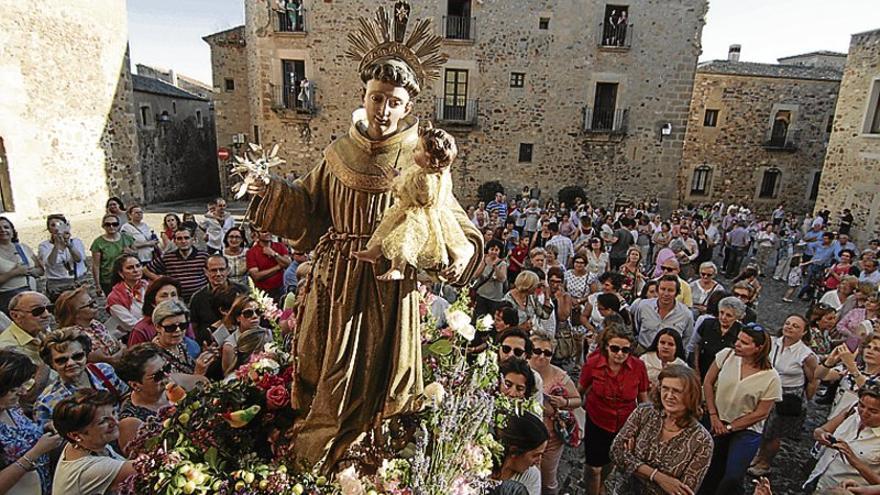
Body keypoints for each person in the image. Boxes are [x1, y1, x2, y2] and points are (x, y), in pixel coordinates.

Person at [354, 124, 473, 281]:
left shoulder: (423, 176)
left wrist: (394, 181)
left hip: (417, 215)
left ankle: (397, 267)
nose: (413, 152)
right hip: (426, 212)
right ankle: (374, 252)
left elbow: (408, 192)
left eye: (417, 149)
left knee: (403, 238)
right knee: (388, 231)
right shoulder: (437, 172)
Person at [699, 324, 782, 495]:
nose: (737, 344)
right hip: (716, 420)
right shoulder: (726, 355)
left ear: (758, 348)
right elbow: (707, 382)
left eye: (744, 343)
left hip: (747, 430)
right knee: (709, 468)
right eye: (738, 340)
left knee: (733, 476)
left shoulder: (771, 378)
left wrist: (730, 427)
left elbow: (761, 412)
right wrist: (713, 415)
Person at [606, 365, 712, 495]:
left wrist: (632, 461)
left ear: (691, 395)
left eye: (677, 391)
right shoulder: (644, 413)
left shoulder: (702, 440)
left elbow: (682, 491)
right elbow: (616, 451)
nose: (669, 396)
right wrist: (659, 478)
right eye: (665, 388)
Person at [578, 326, 649, 495]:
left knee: (611, 461)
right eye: (615, 348)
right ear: (606, 347)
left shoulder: (638, 367)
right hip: (597, 419)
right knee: (594, 467)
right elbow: (580, 389)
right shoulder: (593, 364)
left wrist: (644, 426)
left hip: (624, 424)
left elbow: (643, 398)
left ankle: (601, 483)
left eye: (625, 350)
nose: (619, 354)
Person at [748, 314, 817, 476]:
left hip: (787, 396)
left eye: (795, 326)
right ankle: (758, 455)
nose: (790, 327)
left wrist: (805, 401)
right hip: (765, 390)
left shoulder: (806, 355)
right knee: (761, 428)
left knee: (773, 432)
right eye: (788, 323)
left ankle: (765, 462)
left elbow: (813, 380)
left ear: (804, 332)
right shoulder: (771, 342)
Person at [34, 328, 127, 427]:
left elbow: (126, 396)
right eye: (61, 360)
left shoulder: (104, 370)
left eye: (77, 356)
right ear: (52, 364)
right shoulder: (45, 403)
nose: (71, 363)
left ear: (86, 355)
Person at [0, 349, 63, 495]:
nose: (23, 392)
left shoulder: (12, 407)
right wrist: (35, 452)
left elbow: (24, 432)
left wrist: (45, 428)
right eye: (14, 389)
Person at [51, 389, 136, 495]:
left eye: (113, 413)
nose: (115, 422)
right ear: (75, 435)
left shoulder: (83, 444)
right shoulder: (90, 470)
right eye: (102, 421)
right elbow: (149, 467)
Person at [529, 333, 582, 494]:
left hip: (552, 436)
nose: (542, 356)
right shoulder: (520, 370)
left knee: (548, 479)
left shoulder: (560, 376)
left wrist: (564, 402)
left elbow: (577, 400)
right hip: (527, 435)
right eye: (537, 351)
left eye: (547, 353)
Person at [806, 384, 880, 491]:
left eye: (873, 411)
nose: (864, 413)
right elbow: (820, 431)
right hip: (819, 480)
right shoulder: (852, 411)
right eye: (862, 405)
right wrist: (822, 436)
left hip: (846, 490)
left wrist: (854, 460)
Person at [0, 292, 54, 409]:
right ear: (15, 315)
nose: (46, 314)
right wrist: (47, 358)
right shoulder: (8, 349)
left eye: (49, 308)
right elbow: (26, 398)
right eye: (37, 311)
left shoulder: (42, 332)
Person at [815, 335, 880, 419]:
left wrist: (851, 367)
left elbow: (868, 390)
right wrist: (829, 361)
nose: (870, 351)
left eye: (877, 349)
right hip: (834, 417)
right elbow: (819, 375)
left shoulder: (853, 368)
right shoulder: (850, 368)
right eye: (868, 347)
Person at [54, 287, 123, 364]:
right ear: (76, 314)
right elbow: (104, 359)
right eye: (90, 305)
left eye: (94, 302)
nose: (95, 306)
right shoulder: (72, 336)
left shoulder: (96, 324)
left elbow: (118, 344)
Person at [150, 299, 215, 376]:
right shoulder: (154, 358)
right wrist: (198, 374)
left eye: (182, 326)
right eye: (171, 327)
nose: (178, 330)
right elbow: (169, 387)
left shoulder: (186, 344)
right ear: (157, 327)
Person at [632, 275, 695, 354]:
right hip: (643, 351)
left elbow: (687, 339)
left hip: (670, 356)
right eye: (663, 289)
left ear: (677, 293)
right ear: (657, 290)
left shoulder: (686, 314)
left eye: (670, 290)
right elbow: (637, 327)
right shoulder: (643, 306)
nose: (666, 293)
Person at [189, 255, 243, 346]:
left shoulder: (242, 291)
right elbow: (194, 328)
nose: (218, 274)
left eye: (221, 269)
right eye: (213, 270)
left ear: (228, 270)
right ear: (206, 272)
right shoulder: (197, 298)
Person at [144, 227, 209, 302]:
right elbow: (145, 270)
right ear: (175, 241)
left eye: (186, 238)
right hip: (176, 300)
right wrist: (162, 280)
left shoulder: (204, 256)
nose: (183, 241)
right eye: (179, 238)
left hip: (201, 300)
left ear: (193, 240)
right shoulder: (167, 258)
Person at [492, 412, 549, 495]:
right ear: (514, 451)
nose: (539, 461)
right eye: (535, 455)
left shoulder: (531, 477)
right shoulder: (478, 465)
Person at [128, 277, 196, 346]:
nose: (170, 299)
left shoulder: (182, 320)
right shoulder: (141, 330)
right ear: (153, 302)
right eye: (164, 296)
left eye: (173, 295)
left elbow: (192, 346)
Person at [692, 296, 746, 378]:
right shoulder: (707, 324)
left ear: (737, 317)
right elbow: (696, 346)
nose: (723, 317)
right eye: (721, 312)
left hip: (726, 375)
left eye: (729, 315)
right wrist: (696, 370)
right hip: (702, 370)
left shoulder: (741, 332)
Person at [38, 214, 87, 302]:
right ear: (49, 229)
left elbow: (79, 259)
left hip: (76, 281)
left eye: (60, 225)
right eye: (53, 225)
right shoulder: (44, 246)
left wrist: (69, 245)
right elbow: (50, 263)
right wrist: (57, 245)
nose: (57, 228)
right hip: (57, 283)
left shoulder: (76, 242)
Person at [221, 295, 271, 376]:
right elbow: (228, 376)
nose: (255, 316)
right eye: (248, 313)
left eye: (258, 312)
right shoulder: (230, 346)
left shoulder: (268, 333)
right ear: (238, 318)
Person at [0, 217, 41, 315]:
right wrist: (14, 273)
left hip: (31, 293)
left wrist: (31, 272)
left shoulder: (23, 247)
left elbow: (40, 270)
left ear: (12, 231)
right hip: (8, 299)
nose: (3, 230)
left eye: (6, 227)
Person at [90, 214, 135, 297]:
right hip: (108, 279)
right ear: (103, 226)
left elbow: (136, 255)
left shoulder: (127, 238)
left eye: (114, 224)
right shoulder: (98, 243)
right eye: (108, 224)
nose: (111, 227)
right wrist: (97, 285)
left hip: (127, 277)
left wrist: (131, 252)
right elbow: (96, 265)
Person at [105, 254, 147, 336]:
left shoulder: (148, 286)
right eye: (130, 268)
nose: (135, 270)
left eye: (138, 266)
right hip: (135, 335)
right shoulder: (115, 297)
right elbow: (131, 324)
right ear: (121, 273)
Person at [245, 227, 291, 302]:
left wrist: (274, 254)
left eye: (270, 231)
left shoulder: (280, 246)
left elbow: (288, 263)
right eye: (264, 232)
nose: (268, 233)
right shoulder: (251, 252)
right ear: (257, 234)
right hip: (262, 292)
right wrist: (278, 267)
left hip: (281, 289)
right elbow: (256, 276)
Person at [472, 239, 508, 318]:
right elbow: (476, 275)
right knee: (479, 317)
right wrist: (484, 263)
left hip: (495, 298)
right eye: (492, 249)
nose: (494, 252)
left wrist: (496, 267)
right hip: (482, 295)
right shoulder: (483, 261)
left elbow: (502, 279)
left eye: (496, 250)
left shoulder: (502, 263)